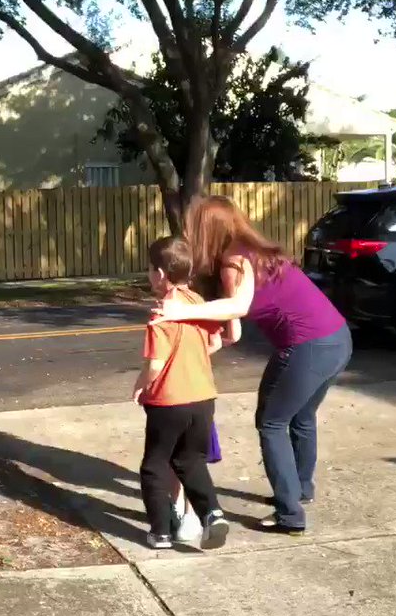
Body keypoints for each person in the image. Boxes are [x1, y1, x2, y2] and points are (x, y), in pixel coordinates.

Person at [154, 196, 352, 534]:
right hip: (337, 339)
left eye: (192, 226)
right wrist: (209, 343)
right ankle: (300, 488)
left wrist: (181, 312)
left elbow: (238, 305)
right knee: (301, 417)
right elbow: (234, 325)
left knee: (271, 423)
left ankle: (289, 515)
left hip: (308, 346)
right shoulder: (253, 252)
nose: (187, 232)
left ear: (208, 228)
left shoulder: (234, 259)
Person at [133, 235, 229, 551]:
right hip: (203, 397)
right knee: (190, 460)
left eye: (149, 269)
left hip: (169, 401)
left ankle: (160, 532)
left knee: (155, 464)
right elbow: (214, 342)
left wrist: (140, 384)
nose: (148, 275)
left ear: (160, 274)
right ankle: (212, 514)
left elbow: (156, 365)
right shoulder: (198, 303)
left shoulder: (162, 312)